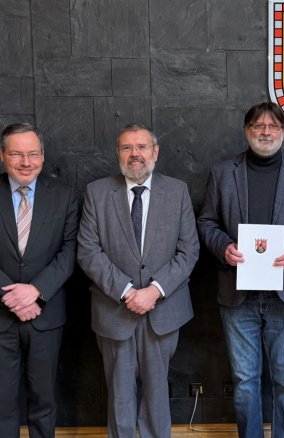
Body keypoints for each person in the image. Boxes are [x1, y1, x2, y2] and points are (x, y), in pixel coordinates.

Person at [197, 102, 284, 438]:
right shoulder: (223, 173)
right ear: (247, 131)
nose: (265, 132)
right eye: (258, 126)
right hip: (237, 295)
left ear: (283, 132)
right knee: (244, 383)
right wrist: (222, 246)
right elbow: (207, 221)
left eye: (273, 126)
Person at [0, 123, 79, 438]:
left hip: (45, 314)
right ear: (2, 156)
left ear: (42, 155)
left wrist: (37, 292)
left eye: (33, 153)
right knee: (1, 404)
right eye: (16, 154)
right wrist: (11, 297)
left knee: (44, 401)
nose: (26, 162)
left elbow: (70, 251)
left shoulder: (64, 195)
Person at [77, 123, 199, 438]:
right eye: (127, 148)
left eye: (142, 147)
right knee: (119, 393)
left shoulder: (178, 191)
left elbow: (189, 251)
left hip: (163, 310)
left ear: (155, 152)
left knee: (158, 393)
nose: (135, 155)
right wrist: (128, 291)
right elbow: (88, 252)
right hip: (114, 309)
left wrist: (154, 291)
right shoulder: (97, 192)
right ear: (118, 152)